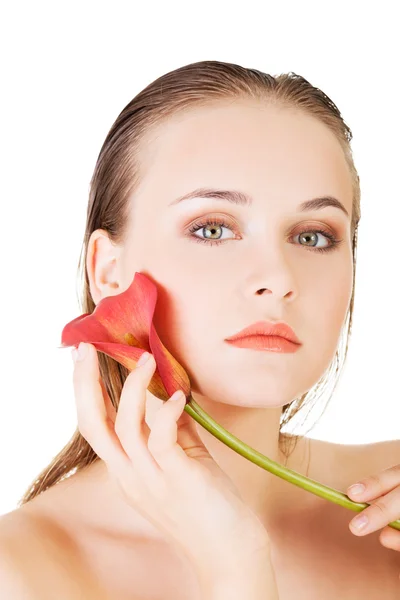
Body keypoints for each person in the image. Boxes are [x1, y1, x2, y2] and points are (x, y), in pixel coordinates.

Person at [1, 60, 399, 598]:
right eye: (212, 229)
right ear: (107, 270)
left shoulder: (388, 494)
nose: (277, 279)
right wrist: (235, 568)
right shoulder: (24, 571)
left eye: (312, 237)